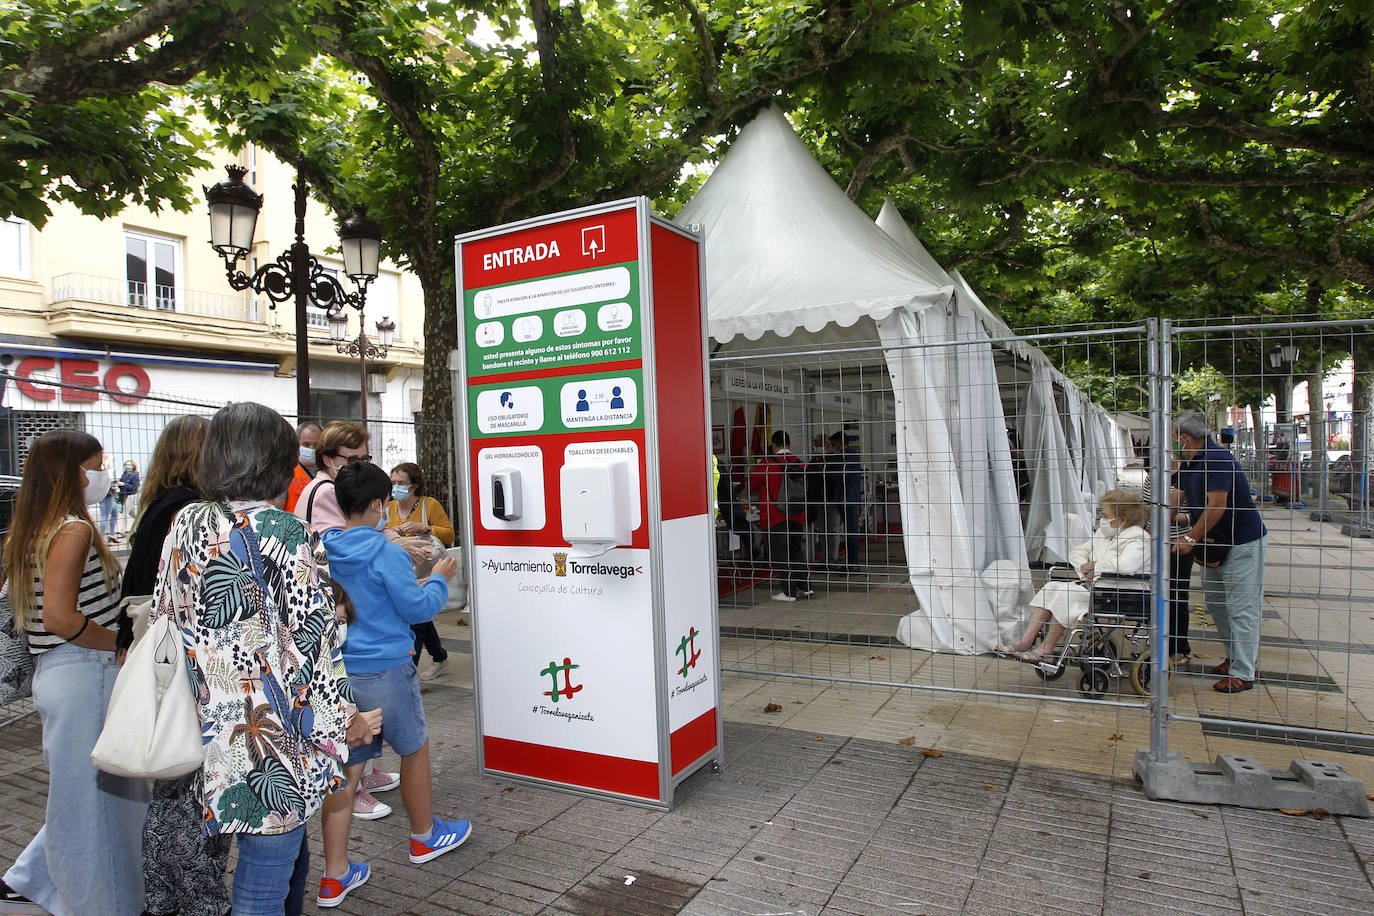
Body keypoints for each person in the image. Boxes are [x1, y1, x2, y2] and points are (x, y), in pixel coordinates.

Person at [155, 402, 381, 916]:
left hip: (207, 722)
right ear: (276, 460)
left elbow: (167, 615)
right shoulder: (284, 531)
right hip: (270, 735)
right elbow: (313, 642)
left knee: (268, 861)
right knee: (264, 883)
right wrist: (341, 722)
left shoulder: (186, 521)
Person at [0, 429, 148, 916]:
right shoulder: (72, 529)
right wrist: (120, 643)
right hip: (84, 670)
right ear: (72, 471)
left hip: (60, 673)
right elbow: (60, 617)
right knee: (94, 807)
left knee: (84, 799)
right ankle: (100, 903)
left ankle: (51, 887)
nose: (103, 473)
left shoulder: (35, 529)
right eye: (96, 463)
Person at [318, 463, 471, 909]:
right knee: (414, 748)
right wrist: (439, 579)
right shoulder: (387, 553)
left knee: (346, 770)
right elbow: (418, 609)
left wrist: (414, 584)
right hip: (386, 668)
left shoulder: (325, 547)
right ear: (375, 504)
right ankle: (424, 836)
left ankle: (335, 875)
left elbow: (366, 597)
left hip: (343, 673)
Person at [110, 415, 228, 916]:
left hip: (155, 651)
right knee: (186, 790)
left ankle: (165, 895)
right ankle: (191, 898)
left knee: (171, 793)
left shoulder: (158, 505)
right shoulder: (188, 511)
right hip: (183, 661)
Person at [293, 421, 405, 820]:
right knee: (350, 700)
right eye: (352, 459)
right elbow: (337, 542)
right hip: (338, 606)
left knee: (356, 697)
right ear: (329, 458)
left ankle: (365, 771)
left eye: (365, 458)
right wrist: (387, 545)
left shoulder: (329, 488)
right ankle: (349, 785)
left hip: (343, 604)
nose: (359, 466)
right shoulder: (326, 491)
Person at [996, 489, 1149, 664]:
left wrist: (1095, 565)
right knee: (1051, 588)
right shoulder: (1104, 535)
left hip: (1124, 593)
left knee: (1066, 594)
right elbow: (1078, 552)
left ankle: (1047, 648)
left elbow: (1125, 565)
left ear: (1123, 520)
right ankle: (1025, 641)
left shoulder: (1138, 540)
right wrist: (1085, 567)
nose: (1102, 520)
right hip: (1099, 588)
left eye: (1106, 516)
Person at [1173, 412, 1267, 693]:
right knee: (1218, 604)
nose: (1172, 443)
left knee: (1242, 608)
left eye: (1173, 438)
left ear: (1185, 438)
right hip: (1216, 543)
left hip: (1241, 543)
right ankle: (1234, 656)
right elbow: (1175, 500)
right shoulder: (1190, 463)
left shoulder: (1216, 459)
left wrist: (1190, 537)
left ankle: (1244, 672)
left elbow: (1216, 506)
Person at [386, 462, 455, 681]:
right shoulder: (388, 508)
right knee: (420, 615)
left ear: (414, 485)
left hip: (424, 569)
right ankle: (439, 657)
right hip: (399, 570)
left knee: (416, 619)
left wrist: (424, 528)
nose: (395, 487)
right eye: (393, 482)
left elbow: (448, 534)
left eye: (401, 483)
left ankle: (410, 674)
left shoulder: (429, 504)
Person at [749, 430, 812, 602]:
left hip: (775, 515)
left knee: (780, 554)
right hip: (797, 514)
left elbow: (753, 484)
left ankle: (788, 592)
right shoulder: (800, 463)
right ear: (789, 444)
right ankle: (806, 588)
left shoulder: (767, 463)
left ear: (773, 445)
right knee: (796, 550)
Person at [833, 431, 864, 572]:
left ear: (840, 443)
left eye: (834, 445)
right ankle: (851, 562)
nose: (833, 448)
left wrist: (828, 453)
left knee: (852, 532)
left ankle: (854, 564)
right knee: (850, 531)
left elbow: (835, 473)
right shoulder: (844, 456)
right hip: (844, 498)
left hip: (849, 499)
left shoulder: (850, 456)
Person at [286, 422, 322, 513]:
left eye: (316, 445)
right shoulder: (285, 473)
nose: (312, 449)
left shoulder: (330, 471)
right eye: (306, 444)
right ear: (297, 444)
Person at [117, 459, 140, 537]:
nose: (128, 466)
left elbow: (134, 487)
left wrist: (123, 484)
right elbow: (120, 484)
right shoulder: (124, 474)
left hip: (131, 496)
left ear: (133, 466)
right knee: (132, 513)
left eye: (129, 465)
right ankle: (141, 522)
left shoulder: (135, 475)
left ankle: (122, 532)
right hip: (124, 495)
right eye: (126, 465)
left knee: (124, 513)